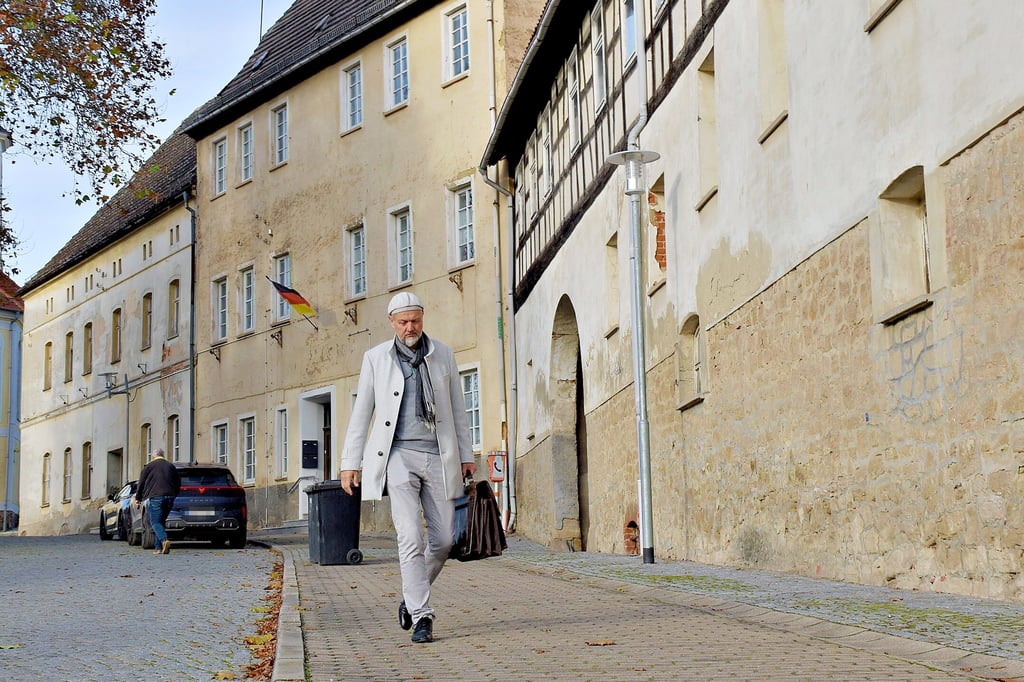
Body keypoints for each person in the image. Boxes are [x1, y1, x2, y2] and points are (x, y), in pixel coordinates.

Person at [340, 292, 476, 644]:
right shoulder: (376, 359)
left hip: (439, 456)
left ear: (423, 318)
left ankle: (410, 597)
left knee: (445, 539)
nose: (410, 327)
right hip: (397, 455)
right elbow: (362, 414)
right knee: (410, 536)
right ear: (392, 323)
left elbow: (458, 410)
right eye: (403, 322)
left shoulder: (443, 354)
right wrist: (349, 464)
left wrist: (466, 454)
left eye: (415, 320)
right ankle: (422, 615)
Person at [134, 448, 181, 555]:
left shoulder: (149, 467)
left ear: (153, 457)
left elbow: (141, 483)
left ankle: (164, 541)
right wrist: (174, 494)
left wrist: (138, 498)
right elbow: (178, 482)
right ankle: (158, 548)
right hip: (170, 496)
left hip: (155, 496)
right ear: (163, 455)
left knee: (154, 522)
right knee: (161, 522)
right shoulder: (171, 466)